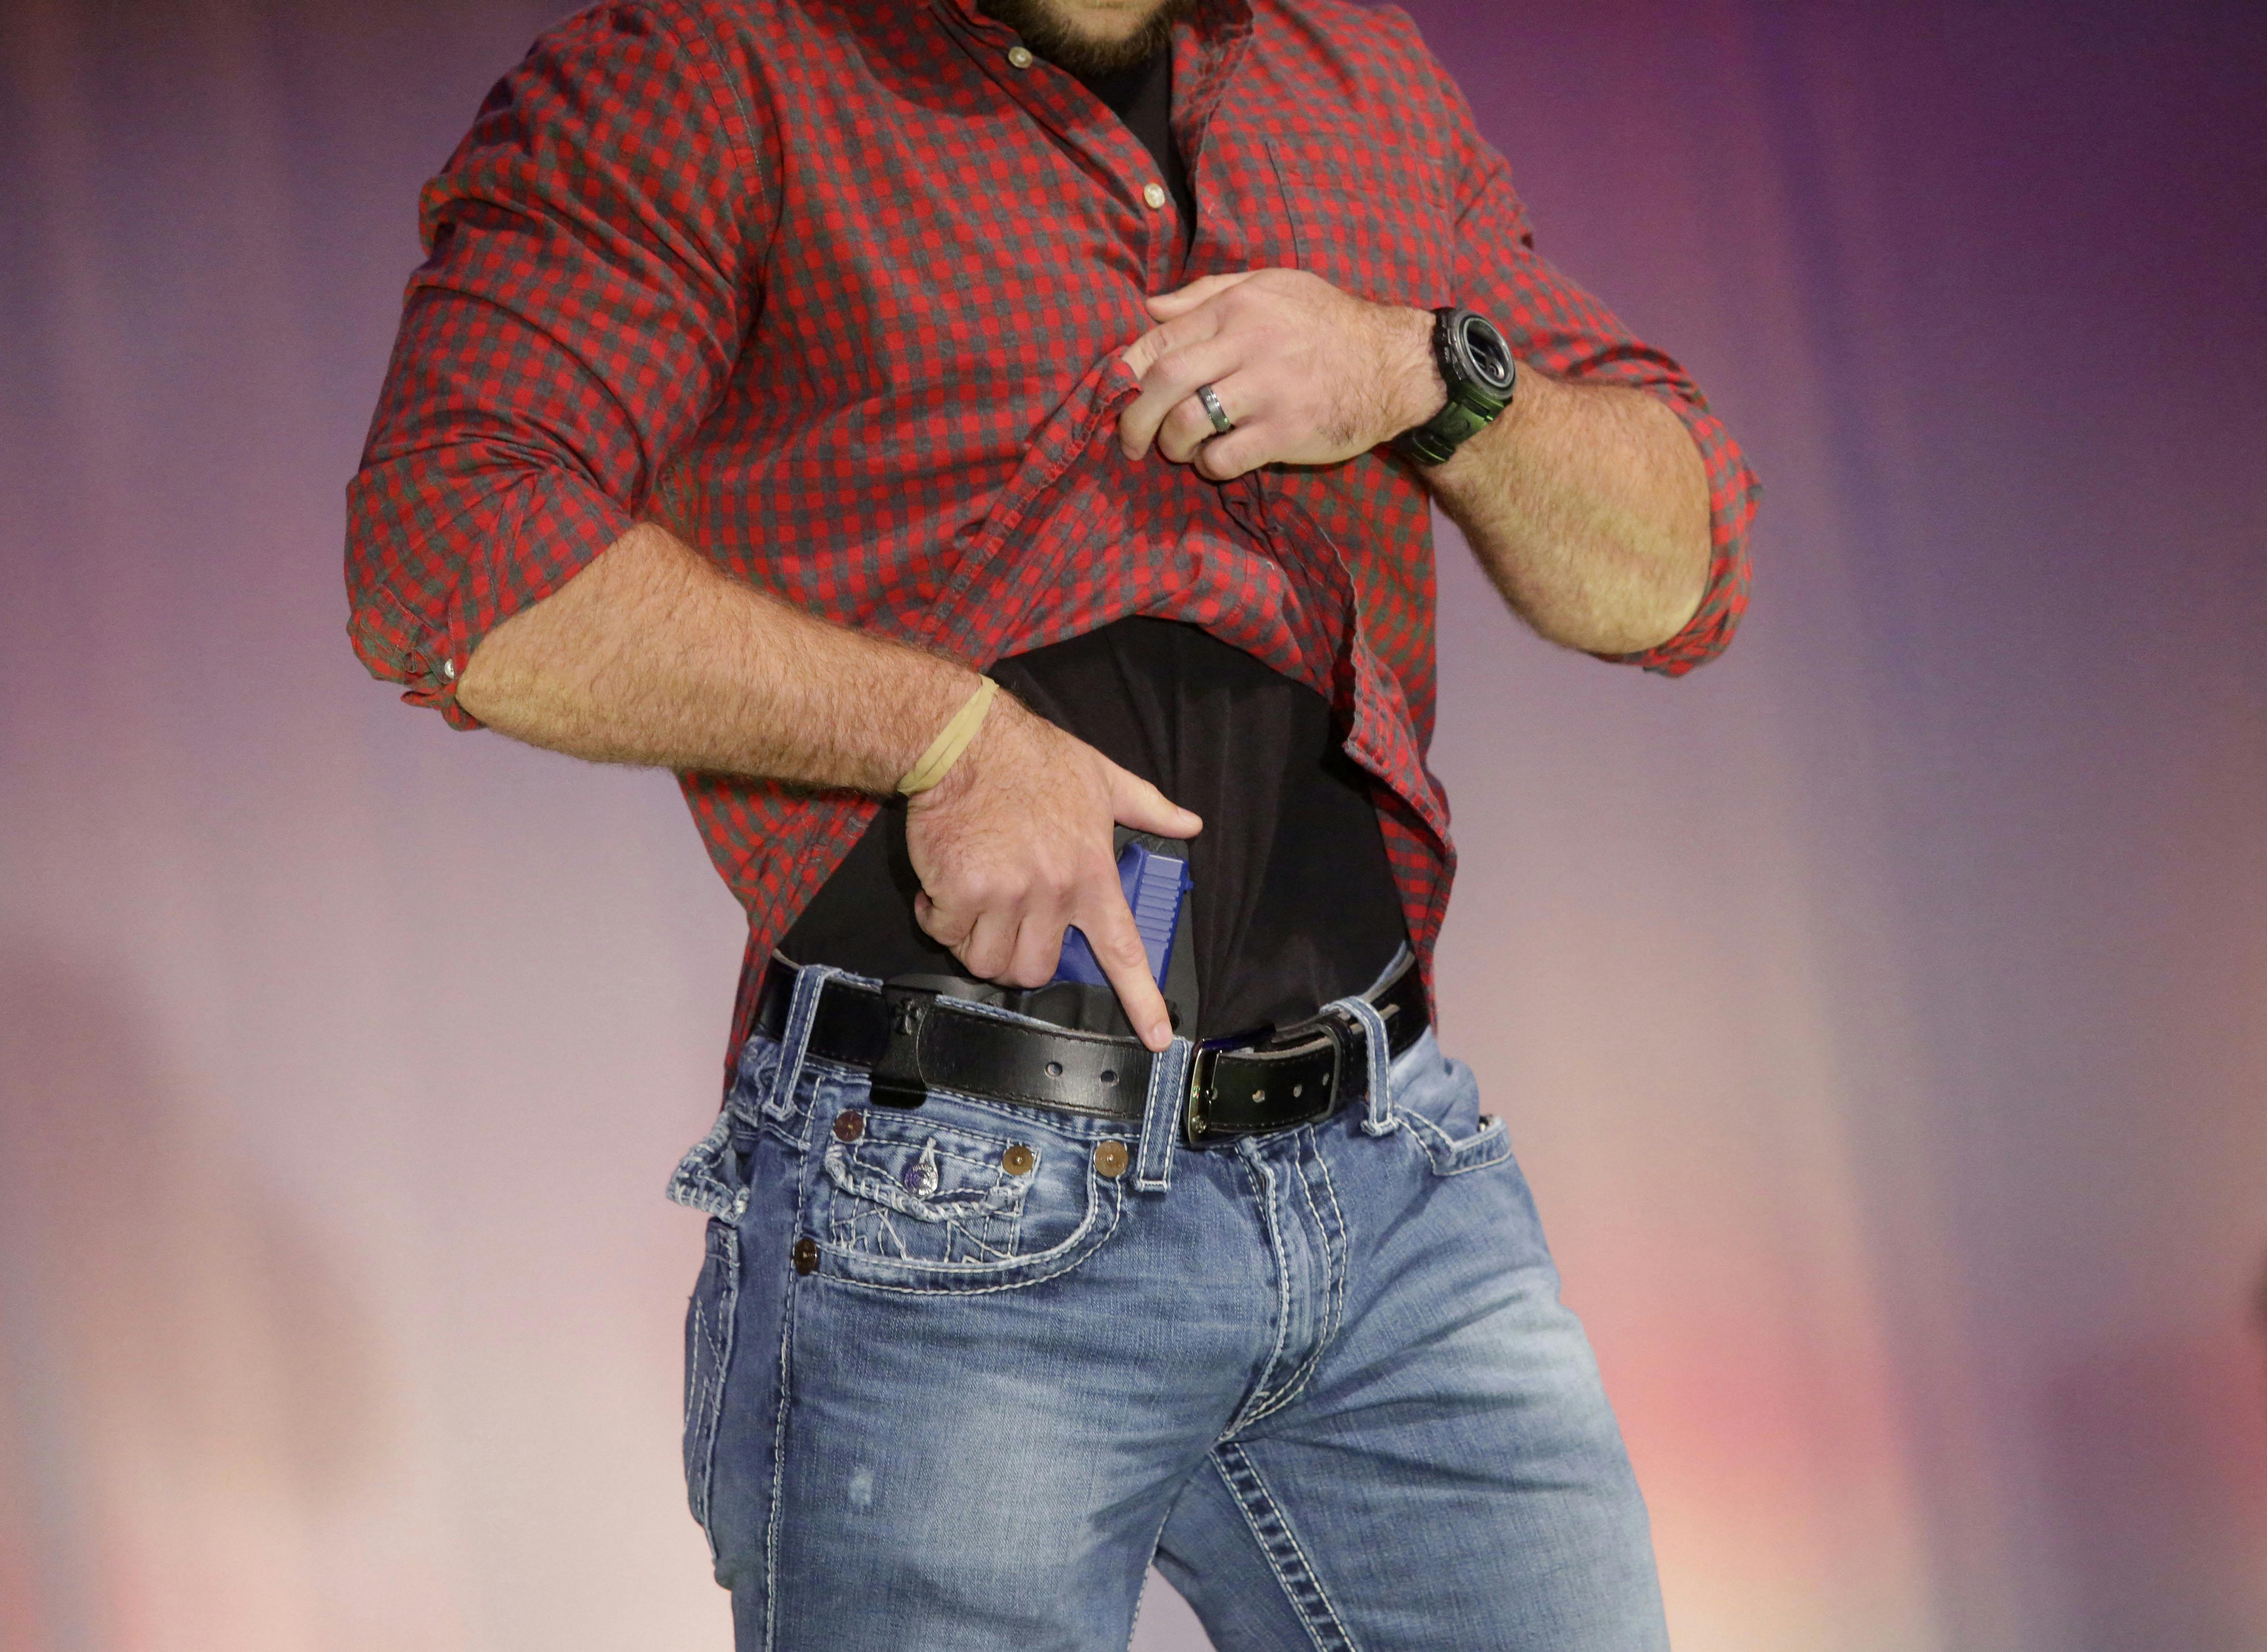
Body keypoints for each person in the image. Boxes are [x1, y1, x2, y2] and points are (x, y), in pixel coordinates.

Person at [345, 0, 1759, 1643]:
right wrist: (942, 737)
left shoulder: (1349, 65)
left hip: (1393, 1182)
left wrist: (1421, 373)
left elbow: (1679, 572)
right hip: (953, 1194)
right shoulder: (712, 55)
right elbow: (449, 544)